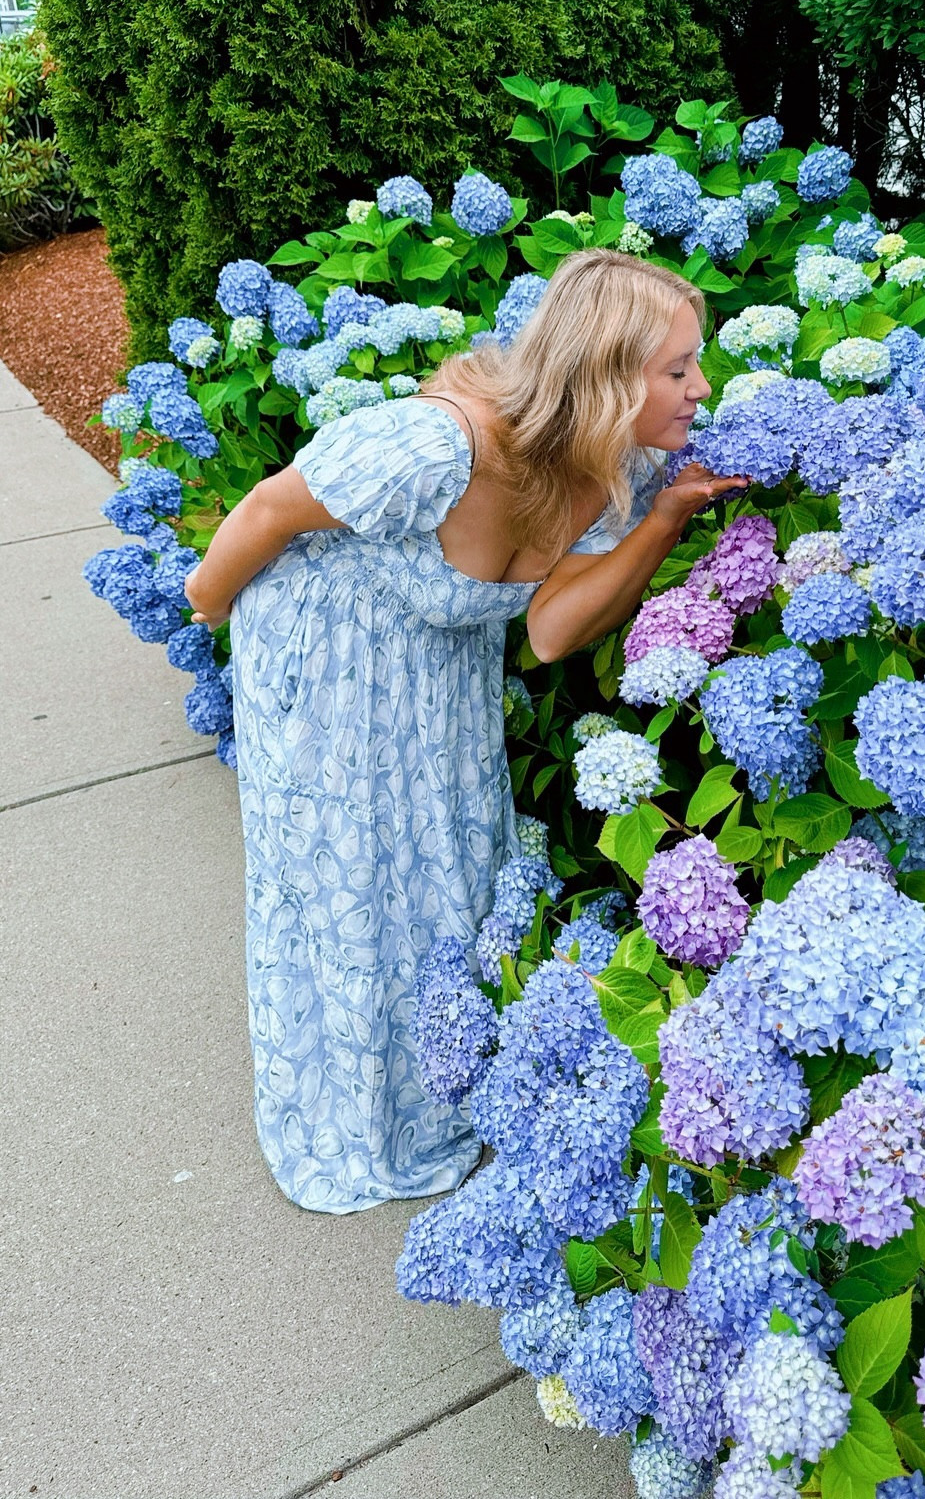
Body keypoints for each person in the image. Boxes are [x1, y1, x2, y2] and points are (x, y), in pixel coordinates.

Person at [183, 248, 746, 1212]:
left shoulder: (621, 473)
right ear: (608, 377)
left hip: (433, 673)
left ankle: (435, 1094)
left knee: (444, 864)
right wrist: (205, 609)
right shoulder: (437, 445)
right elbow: (273, 506)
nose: (702, 388)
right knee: (344, 870)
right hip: (326, 655)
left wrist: (664, 524)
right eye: (679, 368)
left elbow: (551, 628)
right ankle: (352, 1112)